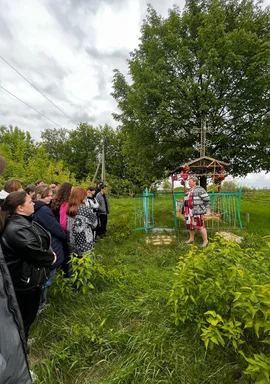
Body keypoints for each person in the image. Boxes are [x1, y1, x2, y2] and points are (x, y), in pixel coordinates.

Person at [0, 191, 56, 342]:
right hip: (24, 284)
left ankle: (22, 343)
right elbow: (34, 253)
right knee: (22, 320)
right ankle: (21, 352)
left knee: (23, 319)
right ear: (20, 208)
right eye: (30, 202)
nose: (33, 204)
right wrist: (50, 257)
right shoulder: (17, 229)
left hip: (24, 280)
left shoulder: (20, 222)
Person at [33, 185, 66, 310]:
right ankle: (40, 305)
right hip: (50, 245)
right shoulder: (43, 210)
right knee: (46, 280)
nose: (51, 198)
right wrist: (64, 237)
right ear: (39, 196)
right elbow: (54, 227)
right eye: (49, 196)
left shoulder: (34, 208)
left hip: (42, 245)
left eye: (52, 196)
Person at [66, 187, 97, 257]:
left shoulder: (69, 207)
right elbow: (94, 223)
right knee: (86, 264)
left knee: (73, 262)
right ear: (82, 197)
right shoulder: (85, 209)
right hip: (84, 241)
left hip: (71, 241)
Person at [184, 175, 210, 248]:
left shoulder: (200, 189)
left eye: (190, 181)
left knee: (200, 226)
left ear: (195, 182)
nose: (188, 183)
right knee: (191, 226)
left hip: (197, 211)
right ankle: (191, 239)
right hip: (189, 211)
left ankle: (205, 240)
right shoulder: (189, 190)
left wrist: (201, 207)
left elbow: (207, 199)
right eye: (188, 181)